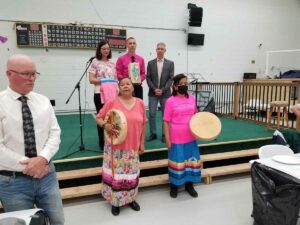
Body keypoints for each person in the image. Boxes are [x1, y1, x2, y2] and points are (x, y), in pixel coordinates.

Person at [0, 54, 64, 225]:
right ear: (9, 74)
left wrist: (42, 159)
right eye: (26, 74)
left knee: (58, 221)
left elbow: (55, 133)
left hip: (47, 176)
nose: (32, 78)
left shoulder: (43, 101)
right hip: (13, 182)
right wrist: (31, 164)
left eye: (34, 74)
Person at [96, 77, 146, 216]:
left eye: (128, 84)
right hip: (115, 147)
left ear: (132, 87)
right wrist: (105, 125)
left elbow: (143, 124)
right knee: (116, 176)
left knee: (130, 175)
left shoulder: (140, 103)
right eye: (122, 84)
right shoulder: (112, 102)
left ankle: (130, 199)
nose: (125, 86)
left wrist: (142, 143)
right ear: (119, 87)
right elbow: (99, 118)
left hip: (132, 146)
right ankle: (115, 202)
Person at [163, 74, 201, 198]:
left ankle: (189, 185)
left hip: (190, 137)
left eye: (186, 83)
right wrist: (168, 139)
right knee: (177, 162)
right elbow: (166, 121)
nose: (184, 86)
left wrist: (200, 131)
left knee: (190, 162)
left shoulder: (192, 99)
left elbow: (196, 116)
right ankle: (174, 185)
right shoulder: (170, 101)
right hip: (176, 138)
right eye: (181, 84)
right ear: (174, 86)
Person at [88, 40, 118, 150]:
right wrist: (105, 81)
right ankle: (102, 142)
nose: (106, 50)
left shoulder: (112, 64)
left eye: (107, 48)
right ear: (99, 50)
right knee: (101, 118)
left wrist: (113, 84)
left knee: (112, 118)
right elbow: (91, 79)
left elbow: (115, 80)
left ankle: (112, 139)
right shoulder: (95, 62)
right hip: (99, 93)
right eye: (103, 48)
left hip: (112, 94)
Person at [146, 42, 174, 143]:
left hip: (165, 94)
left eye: (162, 49)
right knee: (152, 114)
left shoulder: (170, 63)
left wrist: (163, 90)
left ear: (165, 51)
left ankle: (164, 134)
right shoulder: (150, 63)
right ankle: (153, 133)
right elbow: (148, 78)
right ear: (156, 50)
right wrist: (154, 89)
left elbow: (171, 79)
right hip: (152, 93)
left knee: (165, 115)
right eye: (158, 49)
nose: (160, 50)